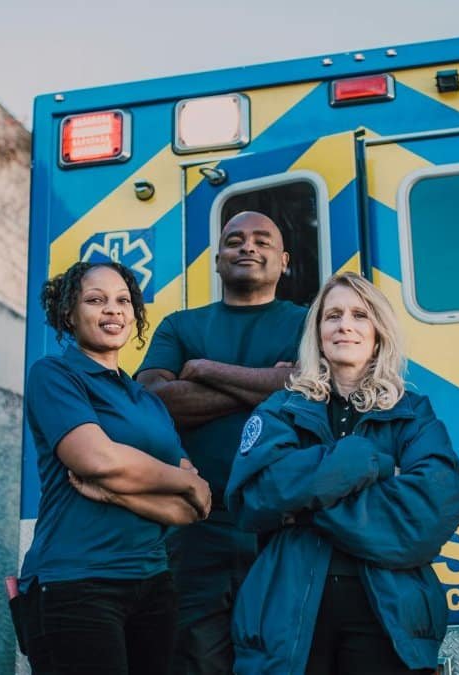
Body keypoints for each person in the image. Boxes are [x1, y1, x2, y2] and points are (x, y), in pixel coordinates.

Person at [226, 271, 459, 675]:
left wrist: (303, 509)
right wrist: (363, 462)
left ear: (377, 331)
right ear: (317, 331)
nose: (345, 326)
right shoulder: (282, 408)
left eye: (359, 315)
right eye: (332, 315)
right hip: (288, 618)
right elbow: (256, 496)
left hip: (387, 620)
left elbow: (434, 506)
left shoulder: (411, 412)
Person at [16, 260, 212, 675]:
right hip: (76, 584)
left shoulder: (147, 400)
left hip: (153, 583)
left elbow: (193, 508)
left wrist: (115, 492)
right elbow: (95, 459)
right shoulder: (54, 374)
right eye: (96, 300)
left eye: (123, 301)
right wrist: (181, 481)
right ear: (69, 313)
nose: (113, 310)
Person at [135, 211, 308, 675]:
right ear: (216, 260)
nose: (247, 247)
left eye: (261, 240)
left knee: (283, 658)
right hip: (196, 525)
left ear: (284, 260)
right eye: (234, 240)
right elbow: (151, 402)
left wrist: (207, 370)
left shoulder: (307, 322)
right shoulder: (180, 325)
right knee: (195, 661)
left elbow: (309, 389)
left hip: (285, 526)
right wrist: (268, 384)